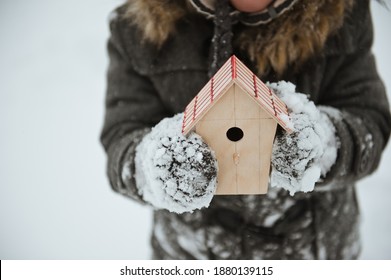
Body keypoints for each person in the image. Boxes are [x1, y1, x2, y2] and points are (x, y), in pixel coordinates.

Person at [100, 0, 391, 259]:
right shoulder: (139, 27)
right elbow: (122, 138)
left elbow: (369, 123)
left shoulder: (341, 12)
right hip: (193, 253)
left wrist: (323, 145)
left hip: (316, 248)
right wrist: (158, 168)